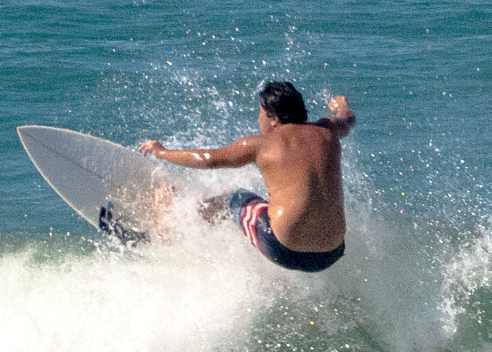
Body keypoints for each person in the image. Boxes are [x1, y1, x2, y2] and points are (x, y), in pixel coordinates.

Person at [139, 81, 352, 272]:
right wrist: (341, 106)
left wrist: (162, 152)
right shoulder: (329, 129)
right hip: (331, 254)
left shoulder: (261, 145)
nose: (259, 120)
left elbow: (208, 159)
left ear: (274, 119)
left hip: (285, 251)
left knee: (233, 198)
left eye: (260, 114)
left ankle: (168, 228)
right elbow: (348, 119)